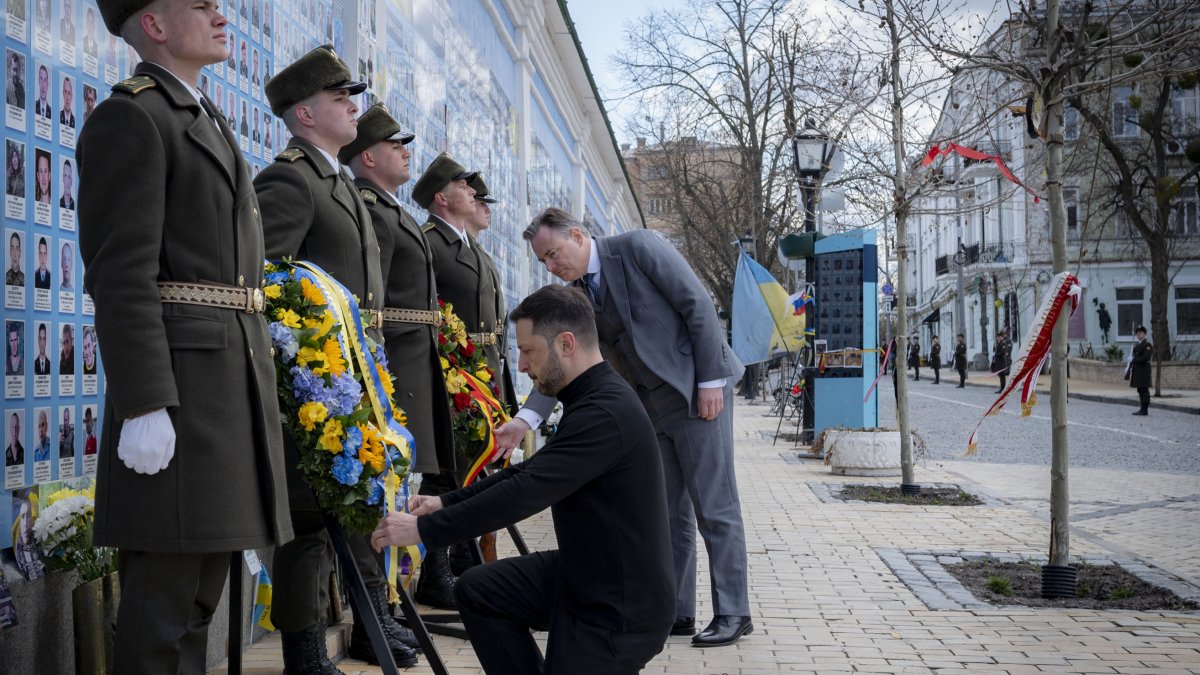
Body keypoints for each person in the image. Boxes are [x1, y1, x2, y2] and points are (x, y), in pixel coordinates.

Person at [76, 1, 294, 672]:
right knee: (162, 612)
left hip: (224, 392)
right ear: (155, 25)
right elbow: (120, 274)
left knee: (197, 602)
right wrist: (144, 400)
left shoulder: (200, 116)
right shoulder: (133, 116)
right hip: (181, 391)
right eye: (199, 4)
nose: (220, 12)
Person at [371, 284, 675, 674]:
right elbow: (529, 472)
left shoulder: (606, 412)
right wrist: (445, 502)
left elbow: (525, 493)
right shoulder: (592, 398)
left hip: (620, 607)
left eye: (529, 351)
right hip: (585, 575)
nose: (522, 366)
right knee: (481, 590)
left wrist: (425, 530)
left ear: (566, 344)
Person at [498, 207, 752, 647]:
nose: (551, 267)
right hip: (648, 408)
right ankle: (678, 611)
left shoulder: (638, 247)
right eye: (543, 262)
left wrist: (711, 380)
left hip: (695, 394)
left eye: (553, 254)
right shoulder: (575, 295)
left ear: (577, 236)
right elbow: (564, 360)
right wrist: (525, 420)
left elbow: (697, 305)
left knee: (714, 506)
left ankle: (733, 611)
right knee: (670, 514)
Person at [256, 45, 418, 672]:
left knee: (355, 506)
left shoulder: (341, 184)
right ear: (303, 113)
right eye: (338, 98)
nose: (353, 107)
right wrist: (307, 373)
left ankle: (369, 625)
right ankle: (303, 652)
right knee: (306, 522)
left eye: (351, 98)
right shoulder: (291, 179)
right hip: (312, 384)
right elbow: (267, 284)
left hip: (355, 378)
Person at [339, 102, 451, 665]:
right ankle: (373, 613)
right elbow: (370, 298)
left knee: (396, 487)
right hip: (387, 363)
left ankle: (386, 603)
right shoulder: (366, 204)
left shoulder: (389, 206)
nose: (407, 152)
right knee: (377, 490)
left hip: (407, 360)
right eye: (395, 145)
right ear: (367, 157)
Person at [1129, 325, 1152, 415]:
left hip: (1144, 371)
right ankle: (1142, 408)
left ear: (1144, 334)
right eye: (1137, 333)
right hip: (1138, 371)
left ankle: (1144, 409)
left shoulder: (1147, 345)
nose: (1138, 334)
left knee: (1144, 390)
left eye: (1140, 333)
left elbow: (1145, 358)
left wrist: (1133, 360)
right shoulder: (1138, 345)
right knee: (1140, 390)